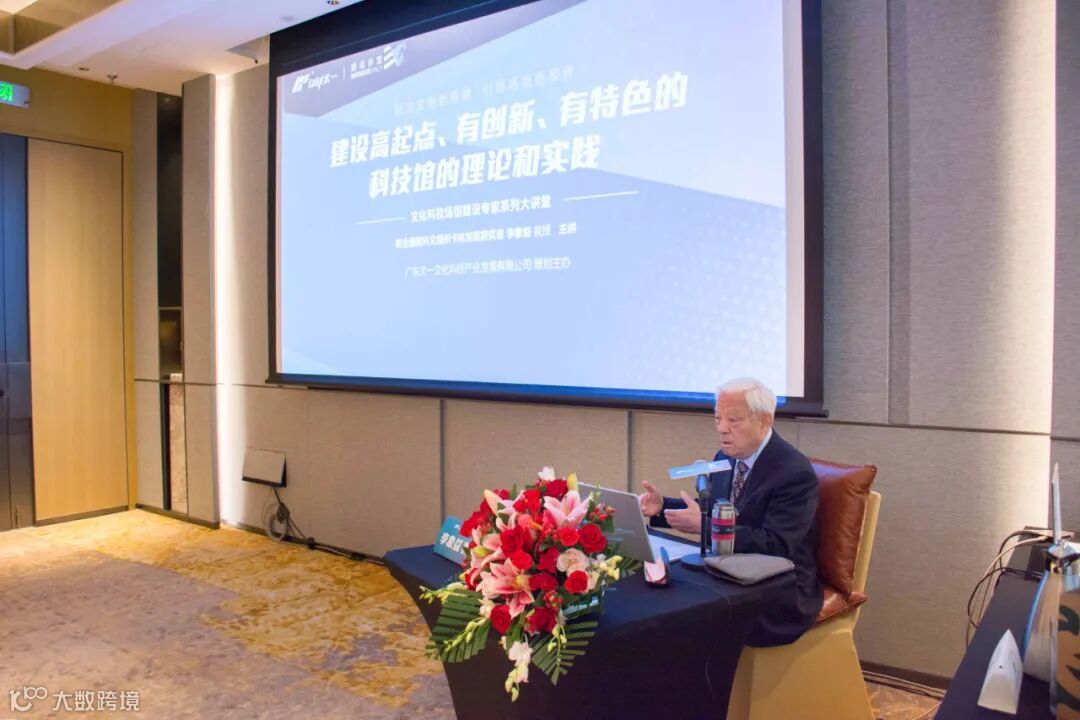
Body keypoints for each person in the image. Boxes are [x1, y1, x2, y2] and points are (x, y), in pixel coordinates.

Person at [640, 377, 823, 646]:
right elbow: (711, 508)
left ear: (764, 421)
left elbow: (776, 544)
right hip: (728, 570)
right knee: (659, 601)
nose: (722, 429)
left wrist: (705, 526)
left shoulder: (793, 472)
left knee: (684, 618)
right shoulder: (724, 457)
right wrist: (662, 506)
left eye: (733, 420)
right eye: (718, 418)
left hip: (778, 589)